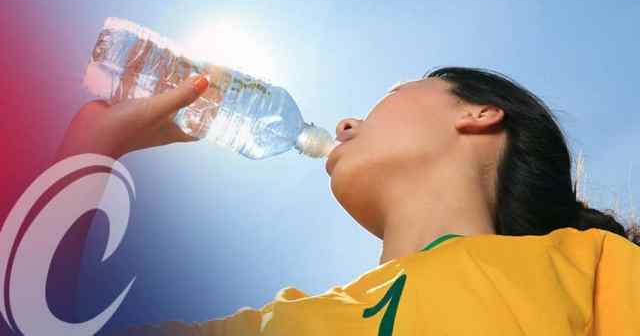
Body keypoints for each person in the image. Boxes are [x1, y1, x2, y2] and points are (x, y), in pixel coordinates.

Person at [56, 66, 640, 335]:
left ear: (478, 115)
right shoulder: (280, 324)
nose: (346, 122)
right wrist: (85, 157)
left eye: (391, 94)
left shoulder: (587, 266)